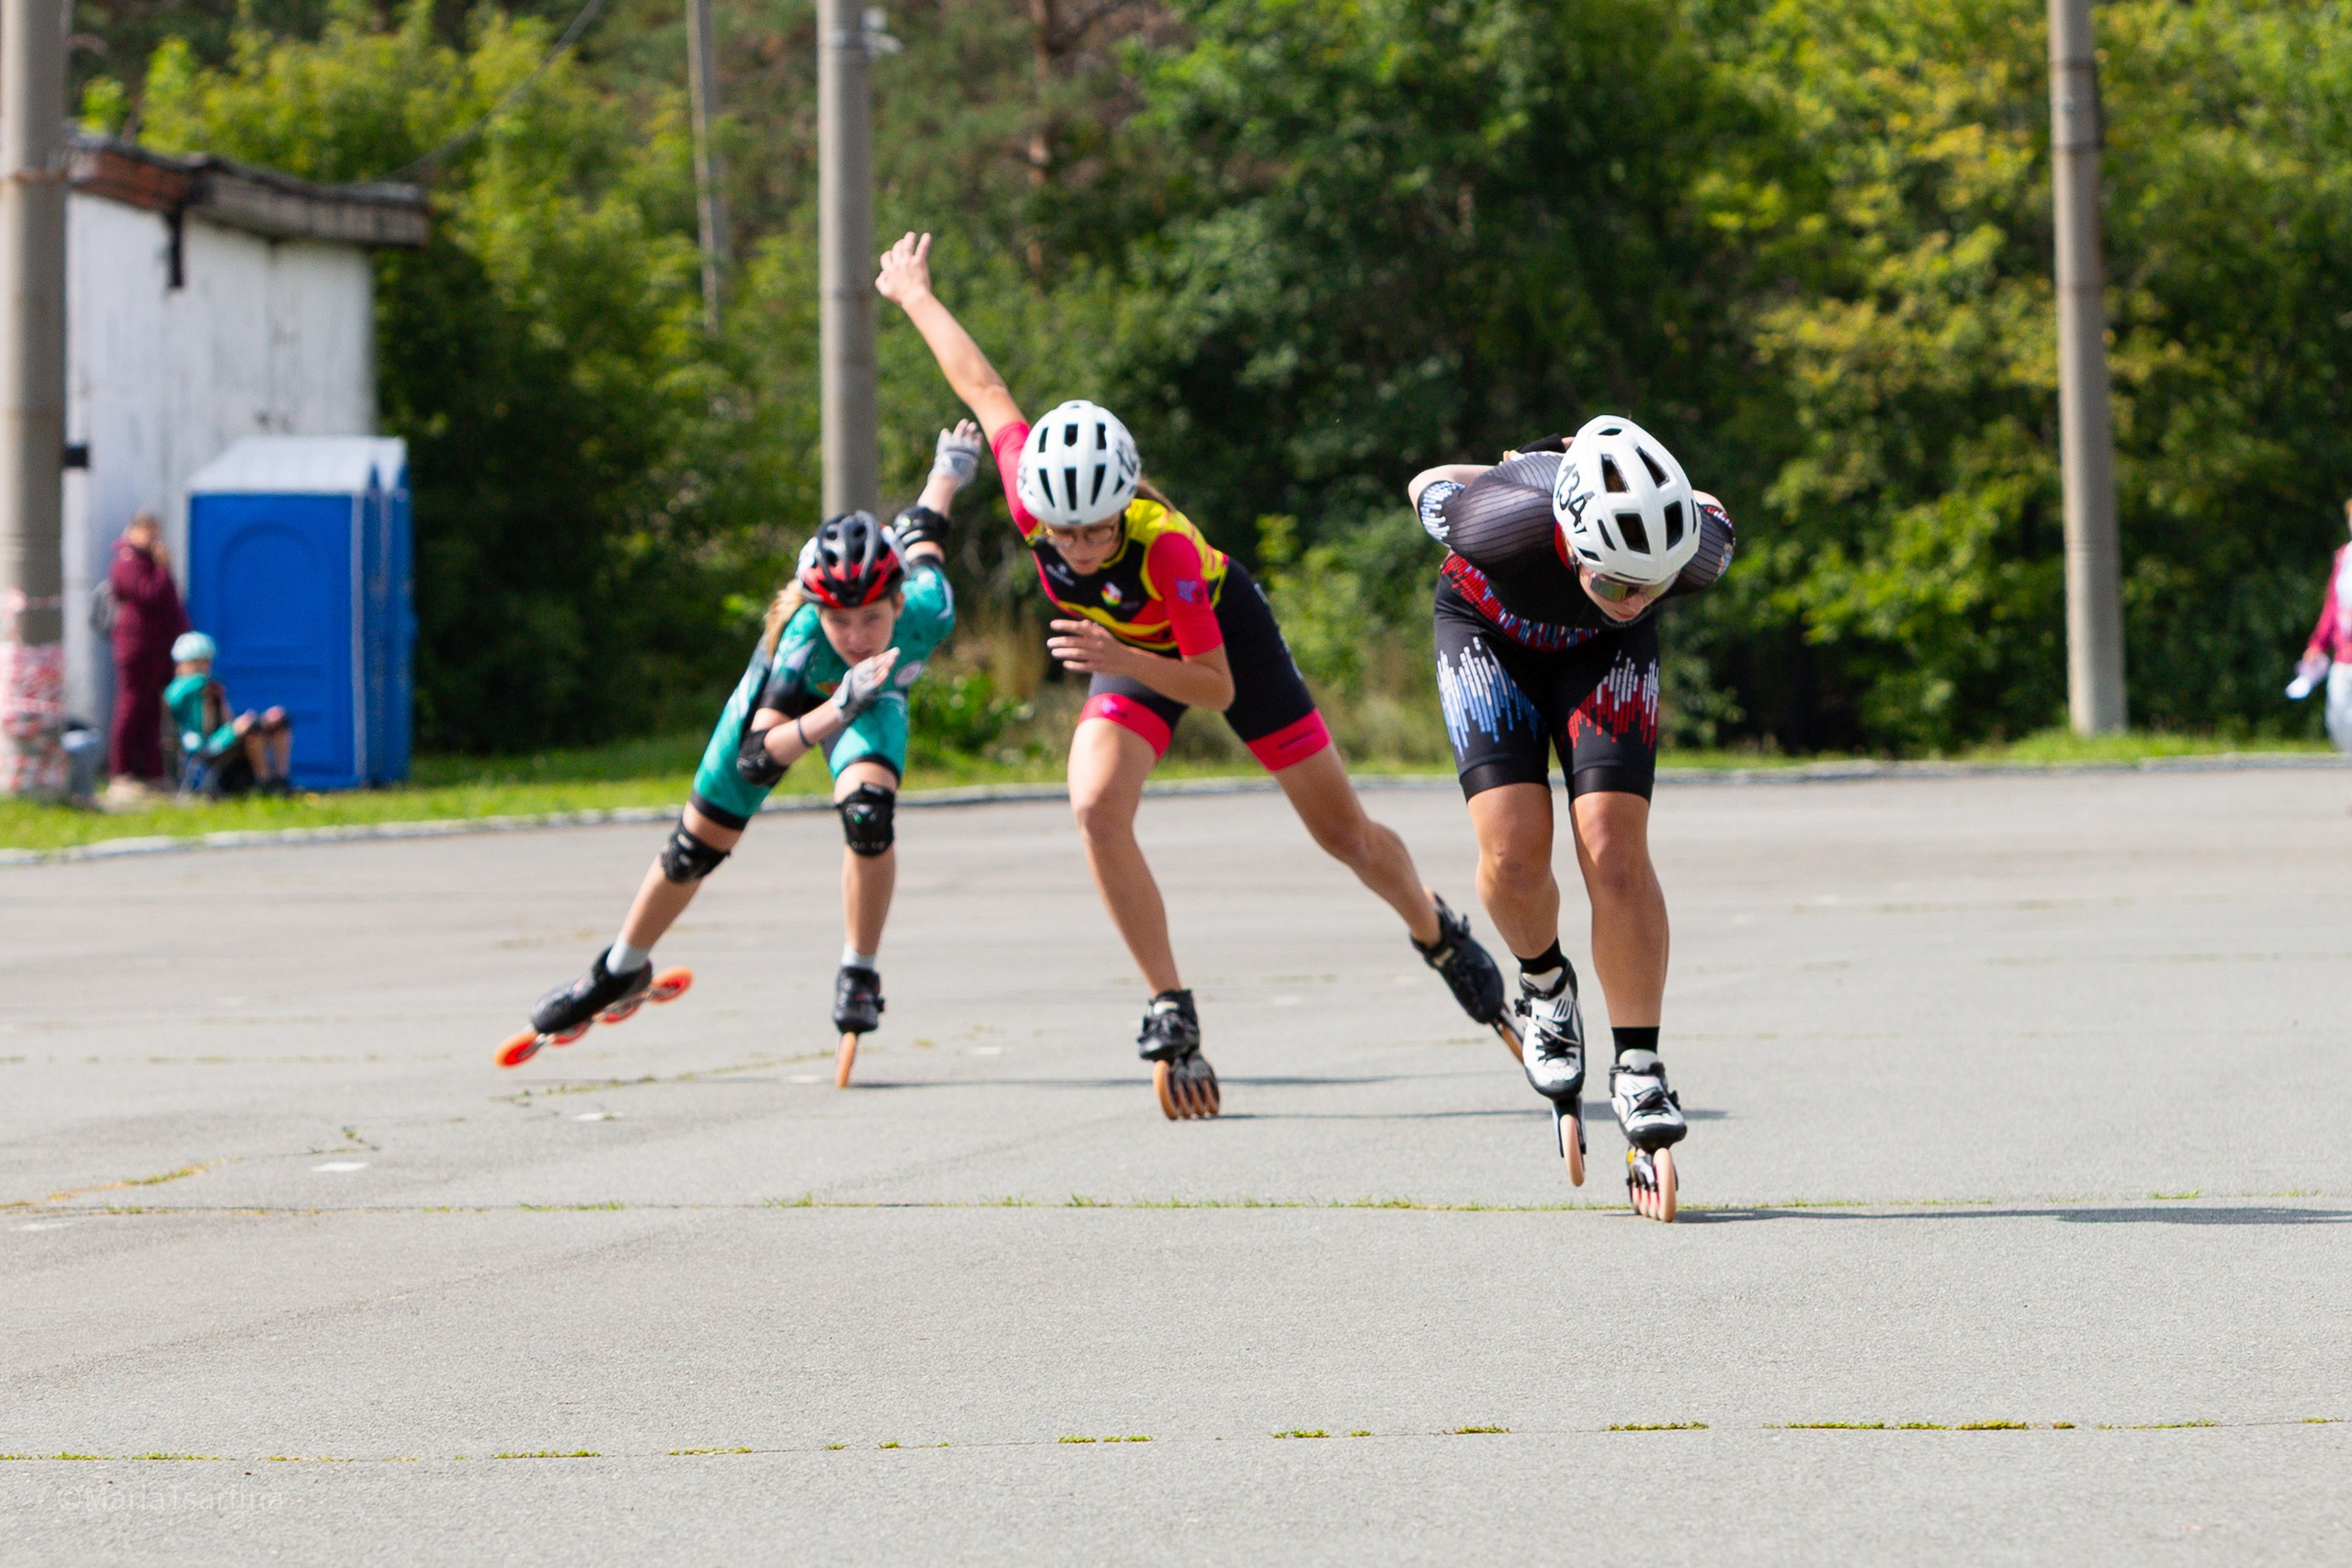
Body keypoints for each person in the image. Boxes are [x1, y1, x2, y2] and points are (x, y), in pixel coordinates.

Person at [876, 230, 1510, 1121]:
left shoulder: (1164, 548)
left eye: (1098, 529)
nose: (1082, 547)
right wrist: (912, 295)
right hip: (1125, 653)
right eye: (1065, 534)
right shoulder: (1030, 490)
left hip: (1217, 646)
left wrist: (1115, 657)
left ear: (1124, 503)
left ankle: (1436, 931)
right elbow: (982, 387)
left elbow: (1211, 689)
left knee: (1344, 838)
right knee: (1095, 807)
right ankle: (1168, 1003)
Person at [503, 425, 981, 1073]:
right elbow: (760, 753)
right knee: (693, 850)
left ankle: (858, 971)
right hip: (797, 706)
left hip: (872, 700)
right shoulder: (804, 638)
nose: (857, 634)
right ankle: (619, 968)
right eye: (839, 619)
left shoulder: (929, 606)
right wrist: (836, 703)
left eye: (872, 616)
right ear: (818, 610)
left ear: (899, 601)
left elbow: (926, 530)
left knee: (870, 814)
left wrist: (948, 470)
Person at [1408, 416, 1736, 1219]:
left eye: (1651, 586)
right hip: (1489, 633)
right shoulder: (1499, 517)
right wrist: (1512, 471)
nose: (1635, 600)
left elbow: (1706, 510)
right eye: (1618, 582)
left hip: (1600, 658)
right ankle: (1544, 981)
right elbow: (1423, 484)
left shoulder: (1695, 551)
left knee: (1612, 852)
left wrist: (1640, 577)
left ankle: (1640, 1065)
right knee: (1515, 853)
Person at [107, 509, 189, 789]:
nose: (152, 538)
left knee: (152, 711)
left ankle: (153, 772)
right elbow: (148, 594)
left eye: (155, 532)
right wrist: (163, 567)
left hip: (158, 647)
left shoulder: (149, 563)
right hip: (137, 646)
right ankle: (121, 771)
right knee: (131, 707)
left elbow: (169, 603)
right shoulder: (127, 562)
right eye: (147, 532)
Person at [164, 632, 294, 797]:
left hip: (223, 737)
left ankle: (281, 779)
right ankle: (264, 781)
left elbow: (227, 719)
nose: (202, 670)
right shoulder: (181, 692)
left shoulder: (212, 687)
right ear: (181, 665)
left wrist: (240, 723)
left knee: (278, 720)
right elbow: (205, 730)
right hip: (203, 743)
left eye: (205, 664)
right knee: (250, 728)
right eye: (196, 664)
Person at [2286, 499, 2352, 754]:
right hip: (2344, 655)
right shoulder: (2345, 558)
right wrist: (2318, 644)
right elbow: (2332, 607)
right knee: (2338, 720)